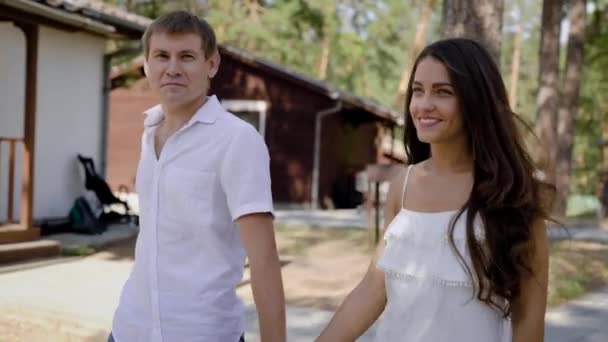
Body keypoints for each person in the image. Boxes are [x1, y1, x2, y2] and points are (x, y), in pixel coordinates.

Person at [316, 38, 554, 342]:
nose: (424, 104)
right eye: (418, 90)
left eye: (443, 92)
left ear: (476, 101)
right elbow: (374, 288)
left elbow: (529, 318)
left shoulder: (513, 195)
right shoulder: (402, 186)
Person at [109, 10, 285, 342]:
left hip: (203, 333)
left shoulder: (237, 140)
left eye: (187, 56)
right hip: (129, 330)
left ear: (212, 64)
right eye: (162, 56)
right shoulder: (149, 131)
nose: (172, 68)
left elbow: (264, 261)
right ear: (147, 64)